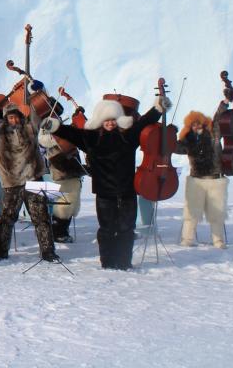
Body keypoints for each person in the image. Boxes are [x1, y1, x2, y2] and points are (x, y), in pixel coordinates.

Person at [40, 91, 170, 270]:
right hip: (104, 193)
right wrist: (55, 126)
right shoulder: (92, 139)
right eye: (106, 120)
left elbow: (143, 123)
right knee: (106, 229)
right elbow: (72, 134)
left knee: (126, 228)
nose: (109, 123)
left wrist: (158, 108)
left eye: (113, 119)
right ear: (100, 121)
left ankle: (124, 261)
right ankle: (108, 262)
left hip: (126, 191)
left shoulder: (128, 136)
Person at [0, 93, 58, 263]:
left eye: (16, 117)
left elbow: (36, 114)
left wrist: (37, 92)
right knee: (6, 219)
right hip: (11, 183)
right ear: (6, 118)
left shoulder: (30, 129)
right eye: (10, 117)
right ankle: (1, 251)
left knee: (42, 218)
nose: (14, 120)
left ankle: (48, 251)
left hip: (34, 179)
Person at [175, 104, 230, 248]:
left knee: (217, 214)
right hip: (196, 181)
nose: (196, 126)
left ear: (204, 123)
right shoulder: (187, 141)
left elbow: (218, 119)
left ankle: (218, 241)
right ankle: (187, 239)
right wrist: (168, 133)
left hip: (215, 179)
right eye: (193, 124)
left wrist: (224, 103)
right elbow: (174, 147)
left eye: (198, 123)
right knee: (191, 213)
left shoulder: (214, 134)